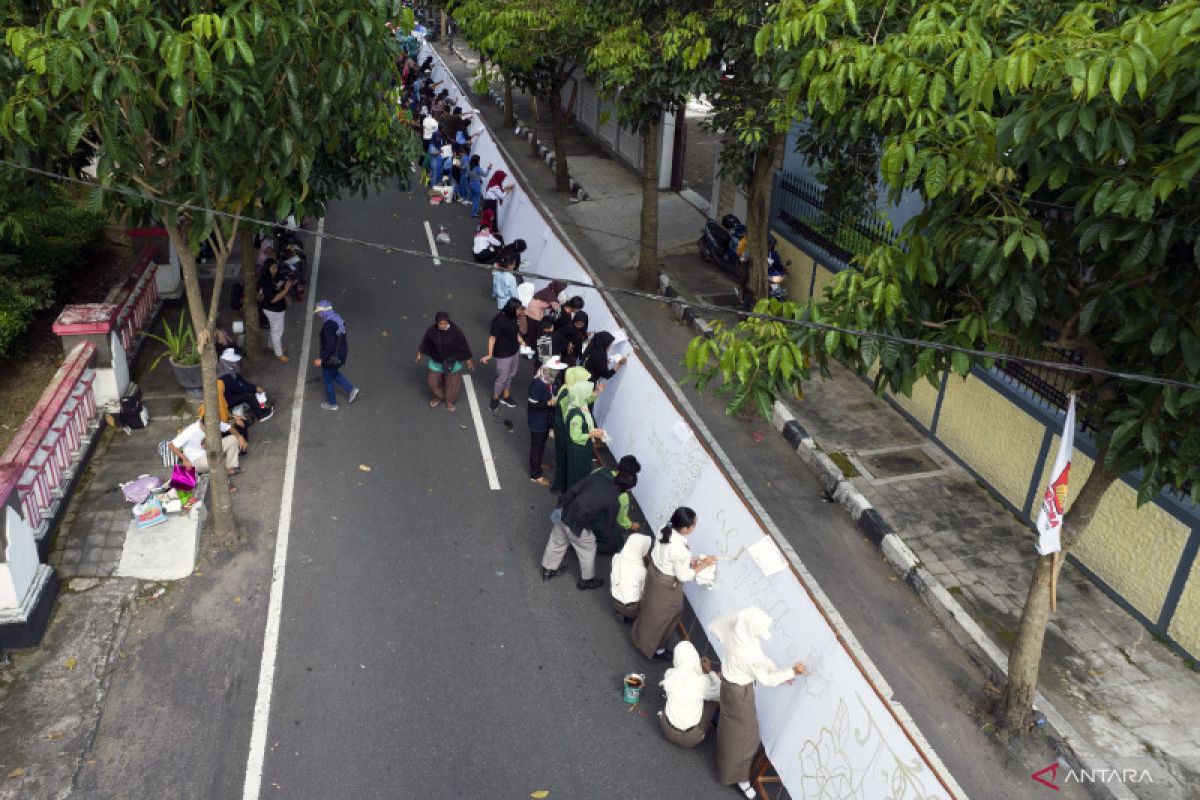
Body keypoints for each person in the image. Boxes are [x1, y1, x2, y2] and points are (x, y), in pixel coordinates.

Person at [710, 607, 808, 798]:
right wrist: (792, 672)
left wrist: (781, 671)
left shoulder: (737, 633)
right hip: (740, 695)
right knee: (748, 738)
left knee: (731, 727)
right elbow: (766, 679)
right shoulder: (747, 654)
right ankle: (739, 778)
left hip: (728, 688)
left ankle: (728, 766)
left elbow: (760, 658)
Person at [631, 507, 716, 660]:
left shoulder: (664, 528)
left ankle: (639, 637)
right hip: (667, 585)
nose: (695, 527)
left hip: (654, 574)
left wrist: (690, 560)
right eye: (694, 525)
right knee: (667, 616)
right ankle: (655, 648)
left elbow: (669, 556)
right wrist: (703, 564)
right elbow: (683, 576)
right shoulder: (681, 550)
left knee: (650, 610)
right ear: (685, 528)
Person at [540, 468, 637, 590]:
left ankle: (548, 570)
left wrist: (558, 509)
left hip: (563, 513)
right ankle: (586, 580)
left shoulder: (597, 477)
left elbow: (572, 490)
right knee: (588, 548)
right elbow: (609, 527)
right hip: (577, 526)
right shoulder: (614, 501)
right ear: (626, 489)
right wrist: (615, 547)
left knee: (556, 541)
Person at [659, 641, 722, 749]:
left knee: (684, 694)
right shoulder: (702, 682)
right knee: (711, 699)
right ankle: (708, 726)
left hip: (665, 726)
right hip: (689, 740)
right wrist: (710, 672)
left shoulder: (670, 673)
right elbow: (720, 693)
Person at [552, 380, 605, 493]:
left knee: (572, 471)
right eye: (587, 392)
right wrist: (592, 433)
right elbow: (575, 436)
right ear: (581, 394)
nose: (589, 394)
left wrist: (597, 392)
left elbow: (588, 399)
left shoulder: (578, 401)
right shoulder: (576, 415)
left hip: (578, 447)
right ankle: (571, 494)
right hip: (577, 449)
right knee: (575, 473)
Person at [416, 311, 475, 411]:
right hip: (436, 362)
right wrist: (419, 354)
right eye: (440, 323)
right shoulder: (431, 331)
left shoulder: (456, 331)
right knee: (432, 382)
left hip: (452, 363)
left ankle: (449, 401)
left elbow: (463, 345)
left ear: (448, 322)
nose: (443, 325)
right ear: (436, 323)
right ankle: (439, 396)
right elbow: (425, 342)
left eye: (445, 323)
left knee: (452, 385)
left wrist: (468, 360)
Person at [168, 408, 243, 483]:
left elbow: (229, 428)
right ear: (202, 424)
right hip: (197, 460)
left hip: (211, 450)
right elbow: (171, 445)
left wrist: (240, 437)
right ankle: (225, 480)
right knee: (215, 461)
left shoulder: (213, 422)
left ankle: (230, 467)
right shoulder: (191, 431)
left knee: (233, 439)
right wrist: (185, 459)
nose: (212, 429)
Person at [588, 454, 642, 554]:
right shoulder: (623, 496)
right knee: (616, 544)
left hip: (583, 508)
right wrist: (630, 525)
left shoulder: (600, 470)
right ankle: (585, 545)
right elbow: (621, 519)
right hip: (595, 521)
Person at [313, 300, 360, 411]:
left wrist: (321, 359)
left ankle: (332, 404)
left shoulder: (328, 325)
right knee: (333, 373)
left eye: (319, 313)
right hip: (341, 353)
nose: (318, 315)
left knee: (328, 378)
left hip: (332, 357)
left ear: (324, 312)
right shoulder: (337, 319)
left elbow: (330, 345)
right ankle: (351, 389)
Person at [526, 358, 566, 485]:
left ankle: (537, 464)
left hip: (545, 419)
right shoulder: (538, 383)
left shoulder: (550, 379)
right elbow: (532, 405)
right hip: (538, 422)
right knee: (537, 447)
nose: (559, 373)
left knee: (541, 444)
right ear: (549, 369)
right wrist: (548, 403)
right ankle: (535, 474)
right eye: (556, 370)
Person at [480, 298, 524, 412]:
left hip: (514, 350)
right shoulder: (499, 320)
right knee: (502, 378)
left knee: (511, 374)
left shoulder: (514, 317)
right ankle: (495, 398)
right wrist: (489, 355)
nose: (521, 311)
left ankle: (506, 396)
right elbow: (492, 338)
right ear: (512, 309)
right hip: (503, 353)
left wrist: (520, 339)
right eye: (519, 309)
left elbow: (515, 331)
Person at [217, 348, 273, 422]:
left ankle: (261, 406)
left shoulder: (231, 370)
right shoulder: (223, 376)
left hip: (234, 393)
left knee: (251, 389)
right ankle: (260, 415)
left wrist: (254, 387)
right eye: (232, 361)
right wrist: (254, 388)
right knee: (248, 395)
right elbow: (237, 389)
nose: (235, 362)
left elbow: (243, 382)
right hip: (228, 400)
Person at [610, 531, 652, 621]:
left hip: (615, 600)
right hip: (631, 607)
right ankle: (633, 616)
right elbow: (644, 591)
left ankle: (620, 612)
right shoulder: (641, 571)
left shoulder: (616, 557)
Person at [257, 257, 292, 362]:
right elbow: (273, 299)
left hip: (277, 309)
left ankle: (271, 345)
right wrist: (285, 291)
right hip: (273, 310)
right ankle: (279, 354)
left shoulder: (273, 276)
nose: (275, 270)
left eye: (276, 267)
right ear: (268, 269)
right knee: (277, 332)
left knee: (273, 329)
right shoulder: (266, 281)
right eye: (273, 268)